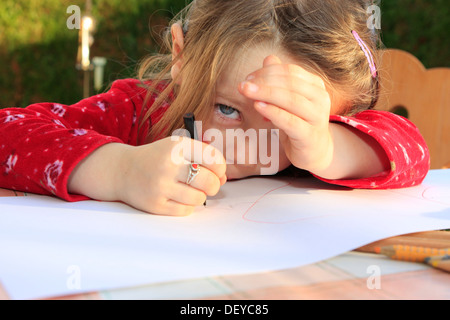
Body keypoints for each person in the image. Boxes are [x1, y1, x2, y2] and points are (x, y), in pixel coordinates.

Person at [0, 0, 429, 216]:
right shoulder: (143, 111)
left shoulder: (327, 130)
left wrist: (325, 146)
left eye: (285, 123)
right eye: (228, 110)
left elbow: (414, 151)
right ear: (182, 56)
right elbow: (8, 131)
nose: (246, 149)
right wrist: (120, 170)